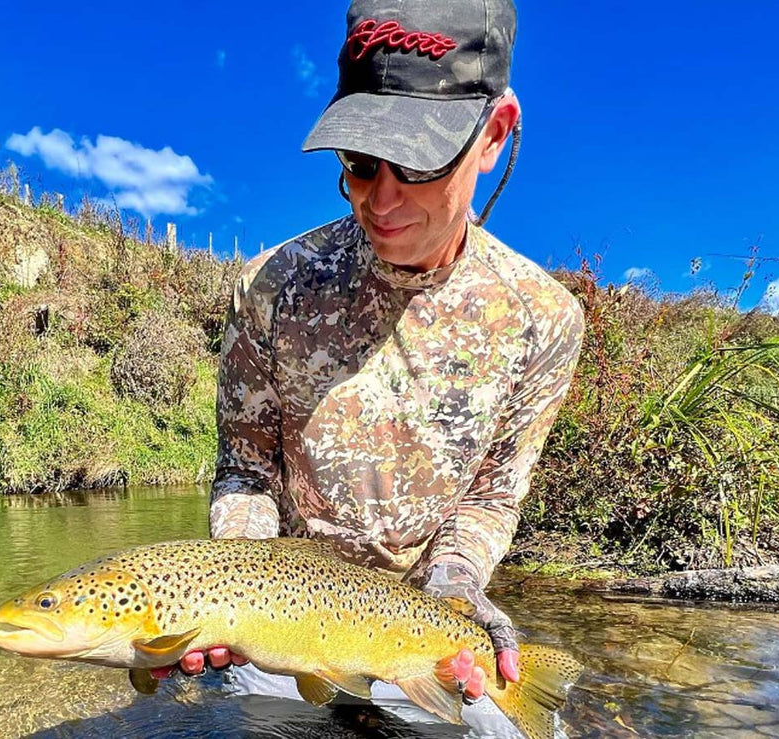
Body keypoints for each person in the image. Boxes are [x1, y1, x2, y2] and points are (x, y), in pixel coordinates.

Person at [170, 0, 584, 733]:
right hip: (280, 634)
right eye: (360, 162)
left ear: (494, 133)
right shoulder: (272, 287)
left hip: (422, 630)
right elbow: (246, 470)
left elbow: (490, 499)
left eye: (419, 159)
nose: (381, 198)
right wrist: (229, 594)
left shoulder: (542, 322)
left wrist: (456, 590)